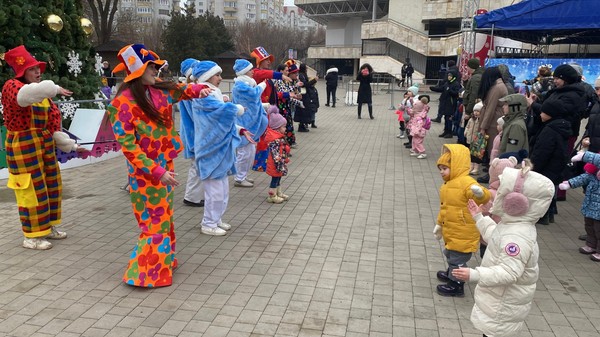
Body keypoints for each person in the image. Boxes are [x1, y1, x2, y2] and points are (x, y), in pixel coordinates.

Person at [107, 44, 211, 287]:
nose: (156, 69)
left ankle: (165, 260)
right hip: (146, 173)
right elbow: (129, 147)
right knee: (154, 220)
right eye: (150, 66)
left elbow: (183, 90)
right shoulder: (122, 104)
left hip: (165, 165)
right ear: (137, 70)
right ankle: (145, 274)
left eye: (155, 65)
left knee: (163, 215)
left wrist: (200, 89)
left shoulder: (160, 90)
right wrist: (157, 171)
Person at [453, 163, 554, 337]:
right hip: (500, 301)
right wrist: (479, 217)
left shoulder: (517, 237)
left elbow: (508, 272)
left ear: (515, 202)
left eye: (501, 193)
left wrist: (475, 274)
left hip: (502, 304)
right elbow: (496, 237)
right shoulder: (514, 226)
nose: (497, 196)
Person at [2, 45, 75, 250]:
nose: (38, 72)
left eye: (38, 69)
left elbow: (52, 124)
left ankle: (47, 226)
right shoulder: (12, 86)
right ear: (22, 71)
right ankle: (31, 235)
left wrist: (65, 142)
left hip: (43, 144)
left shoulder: (43, 95)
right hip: (23, 145)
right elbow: (25, 96)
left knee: (51, 185)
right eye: (33, 69)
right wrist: (54, 88)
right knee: (30, 189)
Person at [190, 60, 254, 236]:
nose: (220, 78)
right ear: (207, 76)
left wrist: (240, 130)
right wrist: (237, 108)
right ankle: (208, 223)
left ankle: (216, 219)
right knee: (215, 191)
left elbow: (222, 121)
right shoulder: (204, 95)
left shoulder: (214, 93)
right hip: (210, 150)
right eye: (217, 75)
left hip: (220, 149)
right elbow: (220, 111)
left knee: (223, 190)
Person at [530, 64, 585, 225]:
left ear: (565, 79)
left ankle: (546, 212)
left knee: (549, 175)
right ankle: (549, 210)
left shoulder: (571, 97)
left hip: (556, 137)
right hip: (555, 134)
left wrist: (534, 105)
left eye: (557, 78)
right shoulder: (564, 94)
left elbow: (551, 111)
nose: (554, 81)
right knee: (551, 175)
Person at [433, 144, 491, 297]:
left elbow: (484, 196)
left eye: (444, 169)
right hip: (452, 230)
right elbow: (445, 208)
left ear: (456, 166)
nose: (441, 172)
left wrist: (479, 194)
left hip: (463, 231)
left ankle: (457, 285)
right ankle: (452, 273)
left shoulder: (467, 182)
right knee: (450, 254)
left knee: (458, 259)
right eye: (440, 169)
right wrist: (439, 224)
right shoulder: (448, 185)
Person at [232, 59, 269, 188]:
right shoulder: (241, 86)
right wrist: (262, 86)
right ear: (244, 72)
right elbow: (254, 95)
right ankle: (239, 178)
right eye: (250, 70)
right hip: (244, 123)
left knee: (250, 152)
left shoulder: (248, 84)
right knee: (244, 153)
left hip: (251, 124)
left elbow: (254, 102)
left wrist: (263, 106)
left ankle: (244, 175)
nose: (253, 72)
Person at [560, 153, 600, 261]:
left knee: (598, 230)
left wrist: (583, 156)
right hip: (590, 208)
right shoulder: (592, 176)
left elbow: (597, 158)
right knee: (589, 227)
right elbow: (581, 179)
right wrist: (569, 183)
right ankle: (591, 245)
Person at [178, 58, 205, 207]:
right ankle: (191, 197)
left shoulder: (191, 89)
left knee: (198, 165)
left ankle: (196, 195)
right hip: (193, 133)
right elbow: (195, 115)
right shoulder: (189, 91)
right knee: (196, 166)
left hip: (194, 132)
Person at [476, 67, 508, 184]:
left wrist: (483, 127)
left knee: (493, 149)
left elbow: (490, 108)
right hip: (494, 119)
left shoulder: (497, 88)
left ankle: (492, 174)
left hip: (493, 122)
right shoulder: (499, 85)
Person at [264, 109, 291, 204]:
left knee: (278, 177)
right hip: (276, 163)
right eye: (283, 127)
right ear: (277, 128)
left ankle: (278, 192)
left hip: (279, 162)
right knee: (275, 179)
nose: (285, 128)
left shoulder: (279, 137)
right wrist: (280, 162)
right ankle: (272, 195)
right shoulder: (275, 140)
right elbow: (276, 154)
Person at [430, 70, 461, 138]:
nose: (449, 77)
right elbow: (442, 89)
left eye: (450, 76)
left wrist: (450, 90)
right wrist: (434, 89)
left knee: (449, 118)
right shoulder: (447, 83)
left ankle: (449, 132)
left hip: (451, 103)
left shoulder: (456, 84)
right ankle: (446, 131)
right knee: (445, 117)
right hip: (445, 102)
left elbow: (456, 93)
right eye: (448, 76)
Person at [297, 63, 319, 129]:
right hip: (303, 94)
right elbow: (305, 84)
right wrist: (314, 80)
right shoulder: (301, 75)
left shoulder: (303, 75)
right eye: (306, 68)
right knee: (304, 109)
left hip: (306, 93)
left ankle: (305, 123)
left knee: (306, 109)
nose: (306, 69)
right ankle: (303, 124)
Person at [465, 102, 483, 175]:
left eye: (478, 111)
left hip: (477, 140)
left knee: (476, 154)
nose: (476, 113)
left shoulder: (480, 120)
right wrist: (466, 131)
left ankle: (476, 168)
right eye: (475, 111)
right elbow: (468, 126)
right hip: (470, 139)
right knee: (471, 154)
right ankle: (471, 166)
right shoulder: (471, 119)